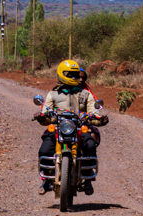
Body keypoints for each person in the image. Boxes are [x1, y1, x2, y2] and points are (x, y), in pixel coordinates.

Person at [35, 59, 107, 195]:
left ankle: (88, 179)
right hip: (58, 128)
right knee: (44, 150)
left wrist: (100, 119)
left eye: (76, 75)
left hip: (79, 128)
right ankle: (46, 180)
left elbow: (93, 112)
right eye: (71, 75)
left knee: (90, 145)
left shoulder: (86, 94)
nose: (75, 78)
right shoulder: (53, 94)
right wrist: (42, 117)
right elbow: (45, 114)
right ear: (62, 74)